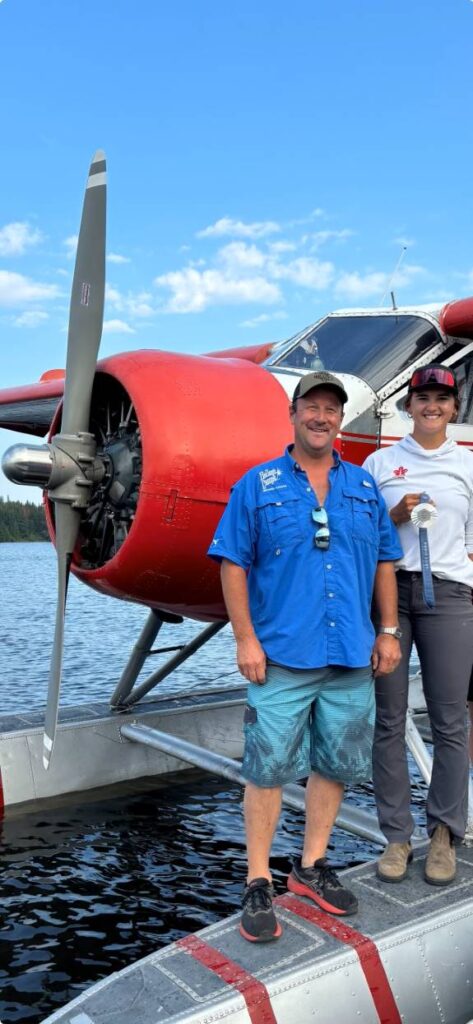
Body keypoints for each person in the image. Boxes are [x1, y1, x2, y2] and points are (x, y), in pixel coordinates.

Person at [208, 370, 402, 942]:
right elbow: (232, 563)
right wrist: (245, 638)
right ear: (293, 415)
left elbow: (386, 560)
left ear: (341, 420)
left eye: (331, 410)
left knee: (336, 764)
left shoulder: (364, 490)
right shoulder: (257, 484)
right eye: (311, 407)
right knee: (266, 769)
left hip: (349, 655)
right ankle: (257, 878)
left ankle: (311, 864)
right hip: (283, 657)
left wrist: (387, 631)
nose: (321, 417)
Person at [363, 363, 473, 887]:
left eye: (442, 398)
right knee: (388, 717)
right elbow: (360, 536)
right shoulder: (380, 462)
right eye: (422, 397)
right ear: (409, 405)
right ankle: (397, 837)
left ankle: (446, 834)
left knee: (451, 721)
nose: (432, 405)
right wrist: (394, 518)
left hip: (450, 596)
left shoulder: (468, 467)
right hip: (391, 596)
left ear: (454, 408)